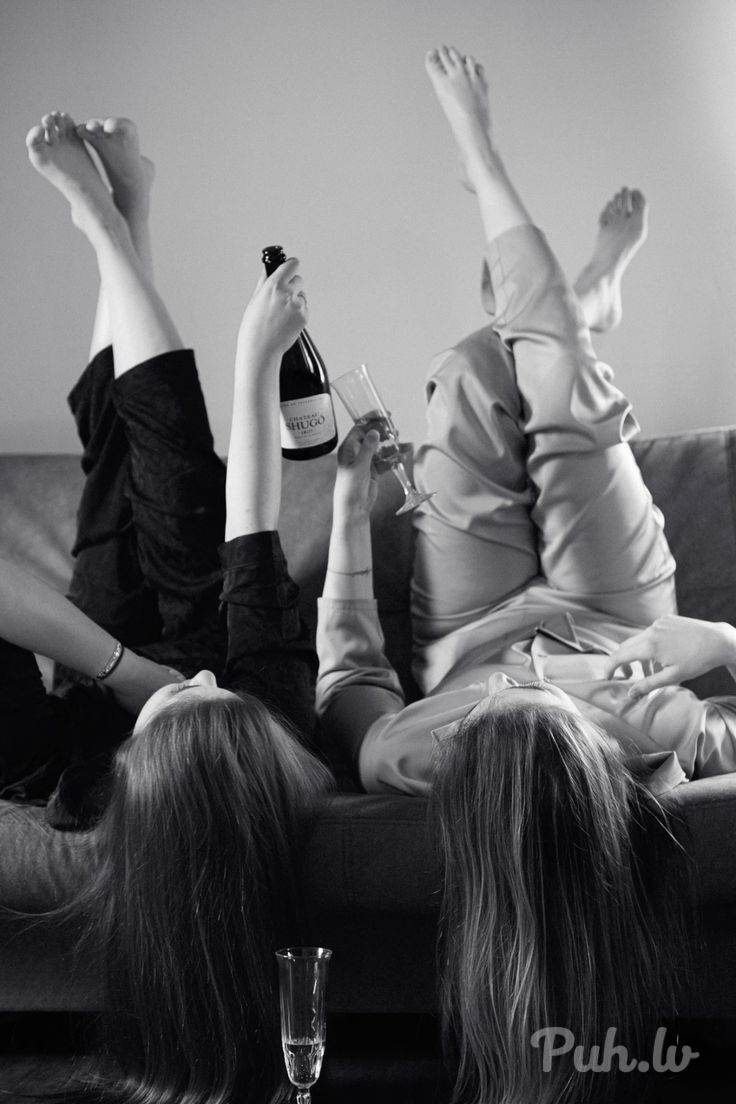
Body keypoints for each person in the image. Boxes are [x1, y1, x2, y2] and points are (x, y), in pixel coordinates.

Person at [316, 46, 706, 1104]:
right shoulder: (657, 734)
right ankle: (530, 235)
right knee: (565, 391)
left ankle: (577, 307)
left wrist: (349, 509)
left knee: (468, 375)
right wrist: (717, 644)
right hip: (617, 616)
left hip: (471, 627)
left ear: (480, 783)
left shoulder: (410, 756)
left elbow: (350, 672)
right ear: (584, 769)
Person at [17, 110, 332, 1104]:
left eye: (183, 699)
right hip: (208, 596)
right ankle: (109, 224)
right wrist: (254, 356)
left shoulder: (86, 783)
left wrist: (123, 672)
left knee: (113, 463)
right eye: (212, 693)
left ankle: (125, 219)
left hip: (100, 643)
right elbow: (252, 542)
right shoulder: (272, 731)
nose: (196, 681)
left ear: (136, 779)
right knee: (178, 483)